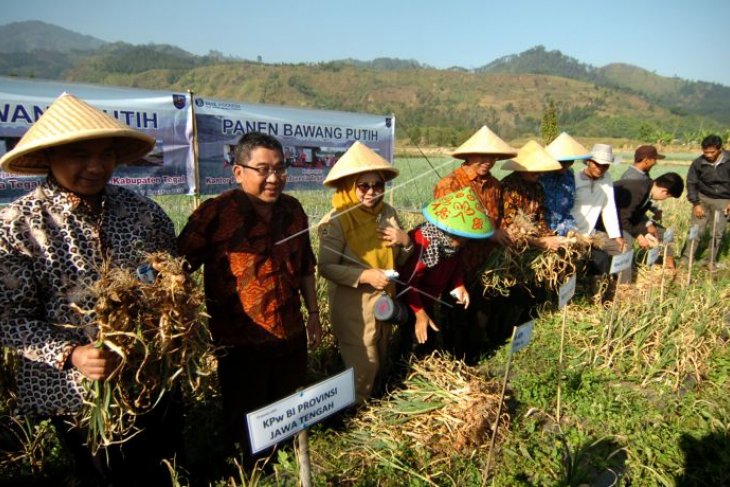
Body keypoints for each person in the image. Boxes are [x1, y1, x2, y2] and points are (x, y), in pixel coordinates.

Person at [0, 93, 182, 486]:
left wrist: (171, 302)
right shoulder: (18, 226)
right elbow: (9, 321)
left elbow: (168, 278)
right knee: (106, 476)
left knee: (159, 469)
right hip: (77, 391)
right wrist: (72, 353)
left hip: (149, 375)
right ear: (48, 156)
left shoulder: (143, 213)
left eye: (106, 154)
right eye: (80, 155)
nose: (96, 166)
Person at [177, 132, 322, 461]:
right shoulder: (215, 214)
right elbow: (176, 269)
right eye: (263, 169)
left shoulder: (293, 210)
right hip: (239, 343)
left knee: (287, 412)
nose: (274, 178)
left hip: (291, 335)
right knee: (245, 424)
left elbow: (305, 268)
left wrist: (313, 315)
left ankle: (286, 468)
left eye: (280, 169)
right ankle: (247, 472)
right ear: (238, 171)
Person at [317, 142, 413, 404]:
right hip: (354, 308)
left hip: (385, 301)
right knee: (364, 366)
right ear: (349, 186)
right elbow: (325, 267)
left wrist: (405, 241)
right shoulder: (336, 220)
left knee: (380, 357)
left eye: (378, 185)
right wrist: (365, 276)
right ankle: (353, 417)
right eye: (364, 186)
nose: (372, 192)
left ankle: (373, 407)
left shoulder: (387, 213)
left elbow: (401, 259)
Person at [432, 126, 516, 361]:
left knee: (481, 315)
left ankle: (477, 360)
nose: (488, 161)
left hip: (485, 263)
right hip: (456, 263)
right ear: (468, 156)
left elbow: (497, 220)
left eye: (492, 157)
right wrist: (488, 234)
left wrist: (502, 232)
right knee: (456, 317)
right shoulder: (450, 184)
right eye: (482, 156)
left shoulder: (495, 186)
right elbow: (446, 228)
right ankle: (454, 365)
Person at [396, 187, 494, 354]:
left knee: (430, 342)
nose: (465, 242)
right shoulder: (423, 243)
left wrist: (459, 285)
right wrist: (419, 314)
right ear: (448, 231)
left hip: (428, 301)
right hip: (410, 303)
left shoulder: (453, 245)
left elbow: (455, 268)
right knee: (413, 344)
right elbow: (407, 284)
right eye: (463, 237)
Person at [571, 143, 627, 285]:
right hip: (573, 233)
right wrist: (574, 234)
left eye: (605, 166)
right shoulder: (574, 180)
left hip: (592, 233)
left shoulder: (606, 179)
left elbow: (608, 207)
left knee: (621, 249)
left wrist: (616, 235)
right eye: (597, 164)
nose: (601, 169)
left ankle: (621, 286)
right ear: (589, 161)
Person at [501, 140, 565, 251]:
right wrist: (541, 242)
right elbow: (510, 224)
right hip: (515, 242)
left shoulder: (537, 187)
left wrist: (549, 236)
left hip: (534, 237)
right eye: (535, 170)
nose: (539, 174)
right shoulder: (509, 187)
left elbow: (540, 218)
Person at [613, 172, 684, 272]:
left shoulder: (648, 190)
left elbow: (634, 217)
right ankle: (623, 282)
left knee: (663, 232)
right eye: (668, 197)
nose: (664, 199)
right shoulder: (638, 190)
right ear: (664, 191)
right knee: (626, 244)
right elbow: (622, 218)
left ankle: (669, 268)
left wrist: (646, 230)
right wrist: (639, 235)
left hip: (624, 221)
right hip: (610, 222)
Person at [680, 134, 730, 265]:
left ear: (720, 149)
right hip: (703, 198)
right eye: (705, 152)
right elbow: (691, 183)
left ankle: (710, 261)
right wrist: (695, 203)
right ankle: (686, 259)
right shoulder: (698, 163)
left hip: (724, 200)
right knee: (695, 230)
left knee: (717, 232)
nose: (708, 155)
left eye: (711, 152)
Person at [540, 132, 592, 236]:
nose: (566, 165)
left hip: (564, 230)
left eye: (569, 162)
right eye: (562, 162)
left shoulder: (569, 178)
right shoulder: (540, 176)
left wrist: (573, 231)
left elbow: (566, 212)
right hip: (542, 232)